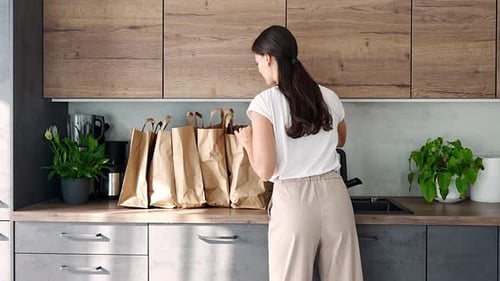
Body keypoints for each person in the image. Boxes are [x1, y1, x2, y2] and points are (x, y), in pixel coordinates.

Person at [234, 25, 364, 281]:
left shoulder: (264, 103)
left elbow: (265, 169)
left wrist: (247, 142)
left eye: (257, 62)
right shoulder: (327, 96)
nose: (259, 68)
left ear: (268, 58)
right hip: (335, 197)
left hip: (294, 203)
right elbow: (340, 139)